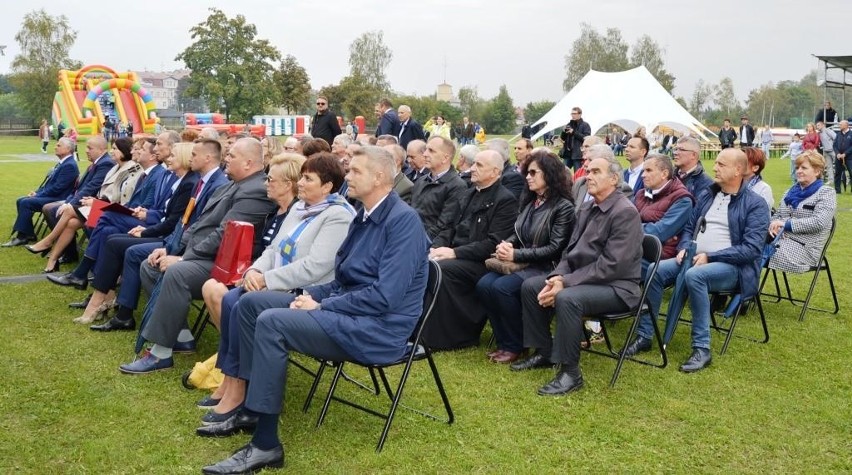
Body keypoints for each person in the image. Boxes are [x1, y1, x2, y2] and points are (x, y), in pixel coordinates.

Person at [198, 146, 430, 474]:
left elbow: (385, 297)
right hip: (348, 313)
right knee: (251, 304)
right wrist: (312, 295)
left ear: (379, 177)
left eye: (355, 172)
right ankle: (251, 408)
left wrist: (321, 303)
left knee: (273, 322)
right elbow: (343, 277)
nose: (346, 176)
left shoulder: (403, 222)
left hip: (377, 329)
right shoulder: (365, 213)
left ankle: (265, 446)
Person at [198, 153, 353, 422]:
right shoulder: (299, 208)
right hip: (279, 283)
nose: (300, 183)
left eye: (308, 179)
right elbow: (273, 249)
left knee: (242, 302)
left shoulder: (337, 216)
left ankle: (240, 388)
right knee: (232, 299)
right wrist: (255, 271)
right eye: (301, 176)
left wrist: (267, 280)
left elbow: (314, 267)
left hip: (307, 292)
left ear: (327, 187)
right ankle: (232, 380)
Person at [117, 138, 275, 374]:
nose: (226, 159)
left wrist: (182, 259)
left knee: (177, 272)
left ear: (249, 162)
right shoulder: (233, 184)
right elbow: (199, 224)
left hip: (230, 264)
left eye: (232, 156)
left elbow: (225, 234)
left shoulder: (256, 190)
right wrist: (172, 249)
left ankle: (160, 354)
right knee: (150, 266)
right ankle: (181, 336)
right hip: (208, 255)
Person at [623, 148, 769, 373]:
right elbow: (690, 227)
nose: (714, 167)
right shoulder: (708, 194)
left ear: (738, 170)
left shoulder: (755, 204)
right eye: (716, 163)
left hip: (734, 268)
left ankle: (702, 348)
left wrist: (711, 256)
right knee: (655, 269)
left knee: (695, 275)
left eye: (721, 164)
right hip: (692, 258)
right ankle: (645, 334)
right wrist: (683, 248)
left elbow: (751, 249)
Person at [511, 156, 643, 396]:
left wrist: (566, 283)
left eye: (596, 171)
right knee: (531, 286)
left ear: (614, 179)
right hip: (583, 280)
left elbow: (611, 266)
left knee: (568, 298)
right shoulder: (587, 207)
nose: (588, 176)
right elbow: (569, 252)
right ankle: (544, 352)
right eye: (588, 171)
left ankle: (570, 373)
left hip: (618, 288)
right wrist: (558, 276)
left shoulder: (625, 212)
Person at [88, 138, 222, 332]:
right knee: (108, 229)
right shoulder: (191, 181)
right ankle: (102, 292)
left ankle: (114, 304)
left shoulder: (195, 183)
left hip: (176, 240)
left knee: (120, 239)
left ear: (206, 158)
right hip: (168, 233)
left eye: (193, 154)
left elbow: (183, 223)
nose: (167, 158)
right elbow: (178, 220)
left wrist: (160, 240)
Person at [476, 150, 575, 363]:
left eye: (533, 173)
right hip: (523, 262)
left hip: (546, 266)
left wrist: (516, 253)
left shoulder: (563, 207)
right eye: (526, 173)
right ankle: (504, 341)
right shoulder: (532, 202)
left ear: (548, 174)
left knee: (502, 288)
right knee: (484, 285)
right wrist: (507, 244)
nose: (528, 177)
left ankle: (516, 344)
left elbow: (556, 248)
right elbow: (519, 231)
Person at [420, 150, 518, 350]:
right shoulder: (468, 193)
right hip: (457, 254)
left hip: (480, 262)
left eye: (479, 165)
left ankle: (446, 337)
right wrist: (436, 246)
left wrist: (454, 252)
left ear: (495, 172)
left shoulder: (505, 200)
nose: (472, 168)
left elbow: (492, 243)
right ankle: (416, 329)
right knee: (425, 262)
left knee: (443, 270)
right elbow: (450, 227)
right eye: (474, 164)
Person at [30, 137, 116, 269]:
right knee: (64, 217)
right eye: (86, 147)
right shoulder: (95, 163)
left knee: (53, 209)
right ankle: (58, 256)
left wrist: (70, 204)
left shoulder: (105, 163)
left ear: (101, 149)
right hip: (87, 203)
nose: (86, 151)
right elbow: (78, 189)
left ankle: (50, 244)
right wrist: (69, 201)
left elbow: (91, 187)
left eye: (90, 148)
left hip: (95, 206)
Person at [767, 150, 837, 273]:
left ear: (817, 171)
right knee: (748, 245)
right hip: (779, 241)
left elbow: (819, 222)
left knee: (752, 252)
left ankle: (742, 290)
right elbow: (777, 216)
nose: (799, 171)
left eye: (804, 168)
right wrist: (773, 226)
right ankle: (740, 289)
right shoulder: (789, 192)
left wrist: (785, 225)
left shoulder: (826, 193)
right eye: (797, 167)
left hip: (805, 250)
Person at [3, 138, 79, 247]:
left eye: (58, 145)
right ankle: (29, 234)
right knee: (21, 200)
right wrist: (36, 193)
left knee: (26, 203)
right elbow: (49, 185)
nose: (55, 147)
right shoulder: (64, 163)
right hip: (54, 195)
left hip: (59, 199)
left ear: (67, 149)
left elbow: (57, 188)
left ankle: (22, 237)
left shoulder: (69, 165)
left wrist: (38, 195)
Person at [634, 154, 694, 260]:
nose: (642, 175)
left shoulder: (682, 199)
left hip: (657, 256)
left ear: (664, 174)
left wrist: (627, 229)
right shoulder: (641, 193)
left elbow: (660, 232)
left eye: (648, 170)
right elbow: (625, 220)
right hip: (635, 248)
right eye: (643, 170)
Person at [410, 136, 468, 240]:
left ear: (445, 158)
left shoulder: (457, 186)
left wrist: (416, 241)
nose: (425, 154)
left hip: (429, 244)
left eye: (431, 151)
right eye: (426, 149)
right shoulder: (421, 181)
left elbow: (444, 226)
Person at [833, 120, 852, 193]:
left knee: (851, 173)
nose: (839, 126)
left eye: (841, 124)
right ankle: (837, 190)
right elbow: (834, 145)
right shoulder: (838, 134)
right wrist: (837, 153)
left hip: (849, 158)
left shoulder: (851, 134)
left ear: (846, 125)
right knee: (837, 173)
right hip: (838, 157)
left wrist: (845, 154)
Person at [816, 121, 836, 186]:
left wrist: (834, 146)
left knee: (839, 166)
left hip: (833, 150)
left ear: (823, 125)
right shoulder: (819, 133)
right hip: (826, 151)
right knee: (829, 166)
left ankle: (844, 179)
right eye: (817, 125)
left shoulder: (828, 131)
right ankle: (831, 181)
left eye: (818, 125)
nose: (817, 127)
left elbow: (836, 137)